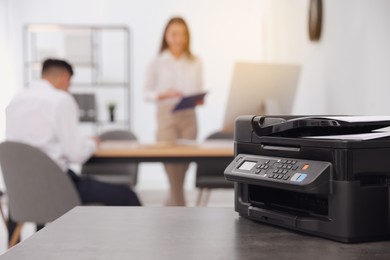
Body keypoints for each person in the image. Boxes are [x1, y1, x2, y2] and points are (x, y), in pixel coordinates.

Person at [6, 58, 142, 207]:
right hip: (56, 185)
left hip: (21, 189)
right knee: (128, 196)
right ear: (64, 77)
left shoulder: (16, 100)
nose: (68, 88)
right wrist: (92, 143)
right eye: (70, 83)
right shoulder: (61, 100)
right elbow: (77, 155)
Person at [144, 17, 204, 206]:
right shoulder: (157, 62)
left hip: (188, 115)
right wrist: (162, 94)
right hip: (166, 115)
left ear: (188, 37)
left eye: (182, 34)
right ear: (166, 35)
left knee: (184, 164)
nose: (178, 39)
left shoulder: (196, 61)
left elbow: (199, 87)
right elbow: (146, 93)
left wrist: (198, 98)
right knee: (170, 163)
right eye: (174, 34)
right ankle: (180, 204)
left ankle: (172, 203)